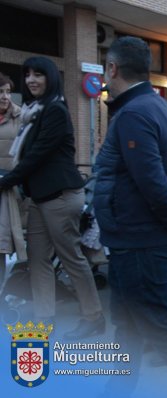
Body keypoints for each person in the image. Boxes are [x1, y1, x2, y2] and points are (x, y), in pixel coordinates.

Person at [93, 36, 167, 398]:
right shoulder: (158, 108)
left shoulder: (134, 113)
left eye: (105, 70)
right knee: (129, 325)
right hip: (138, 237)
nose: (105, 77)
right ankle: (118, 388)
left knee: (162, 326)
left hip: (138, 239)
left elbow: (154, 180)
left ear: (113, 69)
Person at [0, 57, 104, 338]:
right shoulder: (34, 110)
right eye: (28, 75)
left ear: (51, 78)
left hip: (60, 195)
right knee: (38, 258)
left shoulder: (55, 109)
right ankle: (44, 317)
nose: (32, 80)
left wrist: (7, 180)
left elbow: (39, 154)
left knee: (71, 257)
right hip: (40, 197)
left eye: (38, 74)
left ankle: (94, 317)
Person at [0, 72, 21, 285]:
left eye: (7, 91)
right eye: (0, 91)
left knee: (2, 245)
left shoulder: (20, 116)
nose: (5, 96)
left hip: (7, 189)